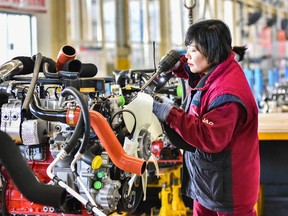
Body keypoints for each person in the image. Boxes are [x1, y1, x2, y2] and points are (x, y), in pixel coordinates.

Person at [152, 19, 260, 216]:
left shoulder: (228, 94)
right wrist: (179, 66)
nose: (187, 55)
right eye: (187, 49)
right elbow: (201, 79)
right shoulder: (216, 70)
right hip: (208, 183)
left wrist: (170, 114)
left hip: (229, 192)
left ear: (211, 52)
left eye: (193, 51)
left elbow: (209, 137)